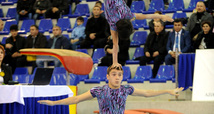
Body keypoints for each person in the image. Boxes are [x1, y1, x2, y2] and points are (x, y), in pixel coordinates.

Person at [34, 0, 178, 67]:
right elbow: (115, 46)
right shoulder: (113, 25)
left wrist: (163, 16)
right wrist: (115, 62)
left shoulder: (130, 17)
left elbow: (148, 15)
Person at [38, 65, 184, 113]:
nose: (117, 77)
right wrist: (54, 103)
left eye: (120, 75)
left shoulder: (126, 89)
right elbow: (76, 99)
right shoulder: (99, 90)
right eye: (114, 74)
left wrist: (168, 91)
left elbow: (146, 93)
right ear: (107, 76)